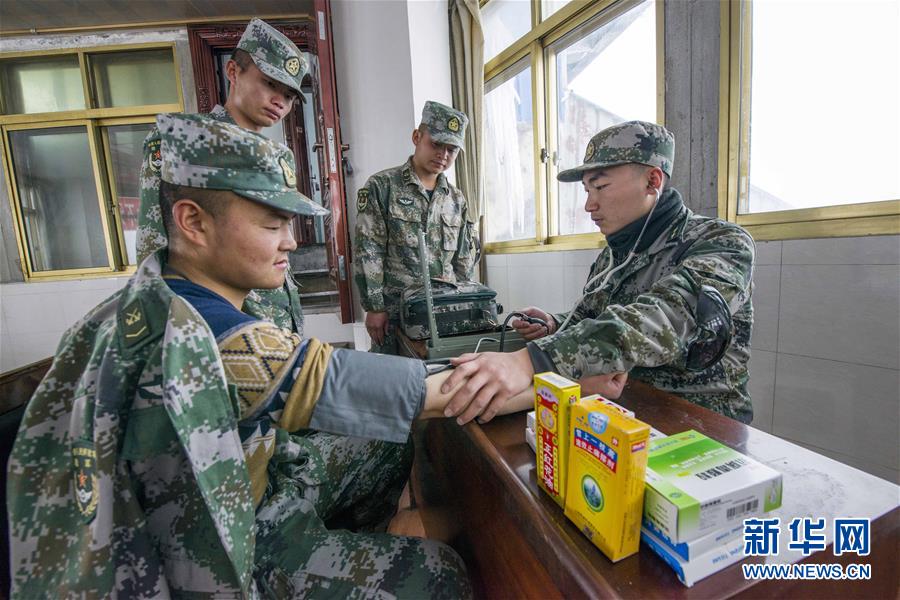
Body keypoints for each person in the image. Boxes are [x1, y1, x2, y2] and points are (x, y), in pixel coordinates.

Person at [6, 113, 507, 598]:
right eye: (272, 225)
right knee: (439, 573)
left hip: (258, 480)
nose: (291, 241)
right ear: (193, 222)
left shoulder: (157, 295)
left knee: (384, 444)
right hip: (236, 544)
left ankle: (345, 553)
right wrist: (531, 364)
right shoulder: (214, 339)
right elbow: (418, 393)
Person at [441, 121, 755, 425]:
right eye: (587, 189)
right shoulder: (615, 254)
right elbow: (593, 316)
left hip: (698, 420)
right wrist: (554, 324)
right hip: (622, 409)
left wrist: (532, 360)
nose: (589, 205)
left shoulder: (722, 243)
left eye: (601, 187)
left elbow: (666, 317)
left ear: (652, 181)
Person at [136, 17, 325, 334]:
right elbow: (154, 244)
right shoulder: (187, 142)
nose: (279, 101)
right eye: (270, 84)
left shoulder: (273, 155)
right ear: (233, 71)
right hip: (218, 324)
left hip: (273, 324)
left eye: (290, 95)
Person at [354, 100, 478, 354]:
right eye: (436, 144)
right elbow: (369, 250)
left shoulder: (456, 199)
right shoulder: (382, 186)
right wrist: (374, 307)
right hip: (395, 314)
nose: (443, 155)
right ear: (417, 137)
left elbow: (463, 259)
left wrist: (467, 302)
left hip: (444, 312)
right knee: (392, 375)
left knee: (442, 375)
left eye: (452, 149)